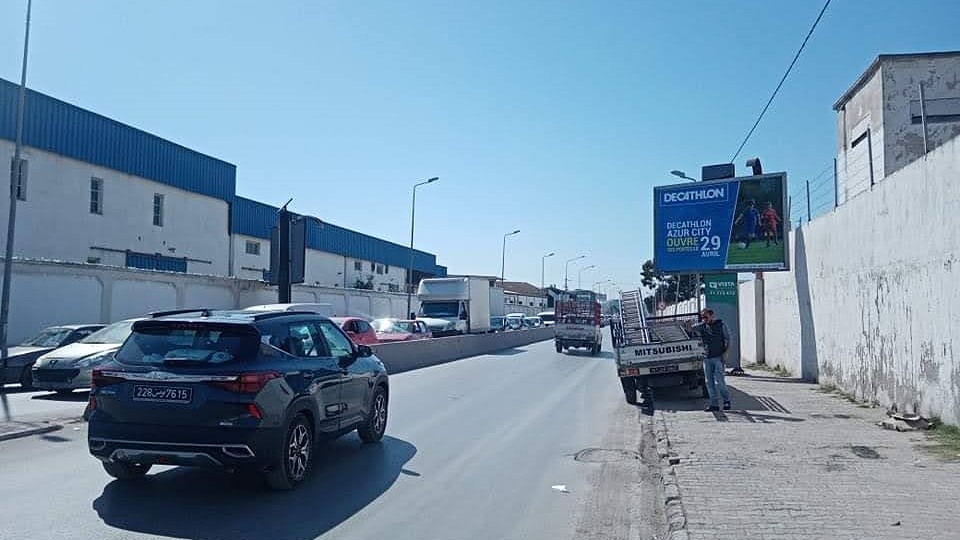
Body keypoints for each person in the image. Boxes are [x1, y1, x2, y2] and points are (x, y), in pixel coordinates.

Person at [687, 309, 731, 411]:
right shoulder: (702, 326)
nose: (704, 319)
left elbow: (728, 339)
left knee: (720, 380)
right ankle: (714, 404)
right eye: (703, 317)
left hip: (718, 357)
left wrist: (726, 353)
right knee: (709, 382)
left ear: (712, 315)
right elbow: (690, 329)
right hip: (707, 357)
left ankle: (726, 401)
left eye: (706, 317)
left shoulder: (721, 324)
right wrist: (689, 324)